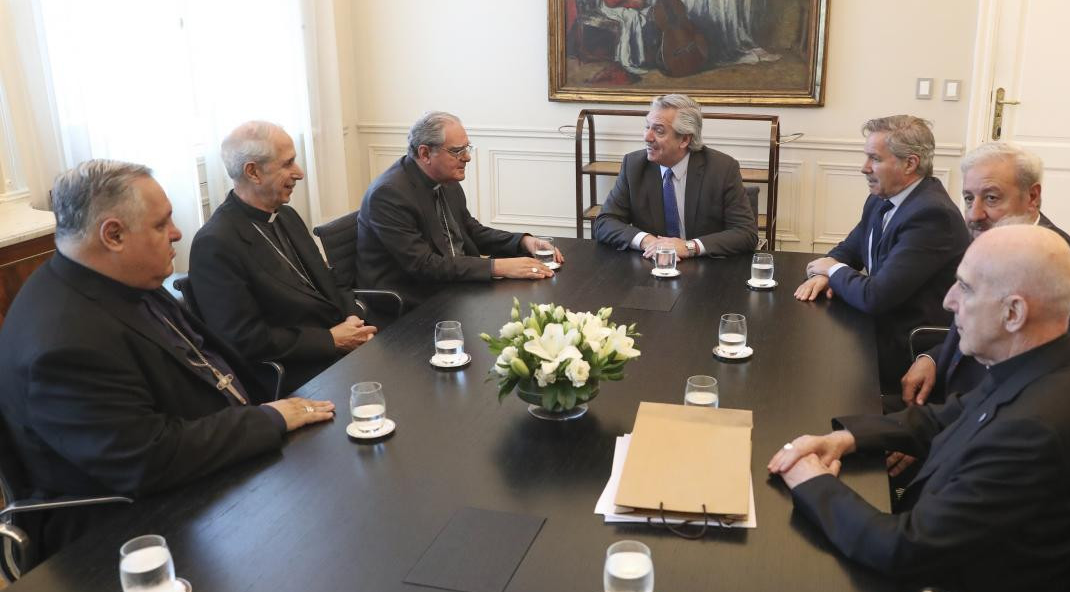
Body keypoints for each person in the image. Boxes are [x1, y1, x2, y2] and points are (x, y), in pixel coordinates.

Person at [768, 225, 1070, 592]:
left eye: (966, 288)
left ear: (1014, 312)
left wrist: (811, 480)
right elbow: (950, 414)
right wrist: (850, 439)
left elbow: (902, 549)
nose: (949, 301)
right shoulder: (1048, 365)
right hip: (960, 565)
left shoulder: (1035, 430)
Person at [0, 159, 334, 567]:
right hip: (131, 532)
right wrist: (270, 419)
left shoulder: (123, 278)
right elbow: (148, 460)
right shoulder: (62, 343)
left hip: (216, 461)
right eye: (162, 225)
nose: (177, 233)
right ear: (114, 234)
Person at [900, 141, 1070, 403]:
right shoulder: (998, 244)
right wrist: (933, 358)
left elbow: (1035, 394)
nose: (973, 214)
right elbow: (980, 329)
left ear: (1032, 197)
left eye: (991, 198)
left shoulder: (1064, 279)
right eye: (968, 198)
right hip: (951, 400)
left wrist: (931, 437)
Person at [190, 121, 376, 392]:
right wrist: (330, 340)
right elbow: (243, 339)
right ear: (253, 172)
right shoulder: (216, 243)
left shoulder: (285, 215)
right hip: (295, 371)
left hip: (342, 347)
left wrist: (353, 318)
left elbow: (328, 281)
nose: (299, 173)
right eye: (287, 164)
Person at [794, 115, 968, 388]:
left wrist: (832, 270)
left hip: (906, 347)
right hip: (874, 326)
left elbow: (876, 296)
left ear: (910, 163)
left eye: (874, 159)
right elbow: (850, 248)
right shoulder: (881, 198)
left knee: (805, 369)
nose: (864, 168)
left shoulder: (932, 215)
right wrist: (829, 271)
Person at [356, 111, 562, 308]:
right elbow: (424, 265)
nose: (467, 157)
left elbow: (471, 230)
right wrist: (498, 267)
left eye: (467, 148)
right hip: (414, 301)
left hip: (453, 286)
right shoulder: (389, 195)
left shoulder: (445, 178)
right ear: (425, 153)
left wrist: (524, 242)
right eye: (457, 151)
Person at [593, 93, 758, 259]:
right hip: (652, 267)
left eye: (658, 130)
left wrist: (689, 247)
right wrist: (648, 241)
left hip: (708, 272)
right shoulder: (634, 165)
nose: (647, 137)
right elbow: (604, 222)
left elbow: (746, 233)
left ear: (684, 139)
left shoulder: (722, 168)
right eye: (647, 127)